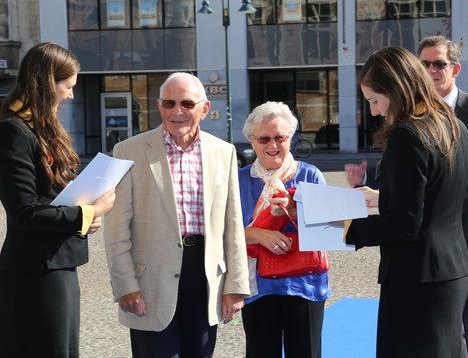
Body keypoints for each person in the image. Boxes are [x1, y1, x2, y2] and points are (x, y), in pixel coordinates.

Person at [103, 72, 250, 358]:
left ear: (204, 109)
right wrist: (125, 286)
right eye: (169, 103)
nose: (177, 112)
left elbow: (233, 225)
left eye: (186, 103)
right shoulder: (127, 151)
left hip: (206, 278)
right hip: (150, 284)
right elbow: (116, 231)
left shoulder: (224, 153)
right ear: (159, 106)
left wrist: (236, 285)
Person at [345, 46, 468, 357]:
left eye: (375, 100)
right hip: (451, 270)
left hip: (417, 278)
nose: (374, 110)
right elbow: (439, 198)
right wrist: (382, 197)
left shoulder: (408, 135)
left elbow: (403, 225)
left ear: (397, 89)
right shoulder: (454, 125)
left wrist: (344, 226)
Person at [0, 42, 116, 358]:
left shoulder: (37, 128)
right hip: (35, 272)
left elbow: (48, 195)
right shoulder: (14, 131)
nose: (71, 96)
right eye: (68, 87)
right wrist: (87, 213)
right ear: (48, 82)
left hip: (55, 264)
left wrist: (84, 206)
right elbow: (24, 212)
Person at [239, 101, 331, 358]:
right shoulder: (238, 180)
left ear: (291, 137)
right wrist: (260, 234)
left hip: (306, 285)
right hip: (257, 287)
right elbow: (222, 232)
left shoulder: (311, 176)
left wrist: (294, 211)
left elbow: (329, 231)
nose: (272, 145)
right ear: (251, 140)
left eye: (280, 137)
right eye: (264, 138)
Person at [418, 35, 468, 358]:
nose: (430, 70)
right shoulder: (413, 119)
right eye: (424, 64)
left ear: (455, 69)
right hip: (432, 251)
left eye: (438, 64)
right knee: (442, 337)